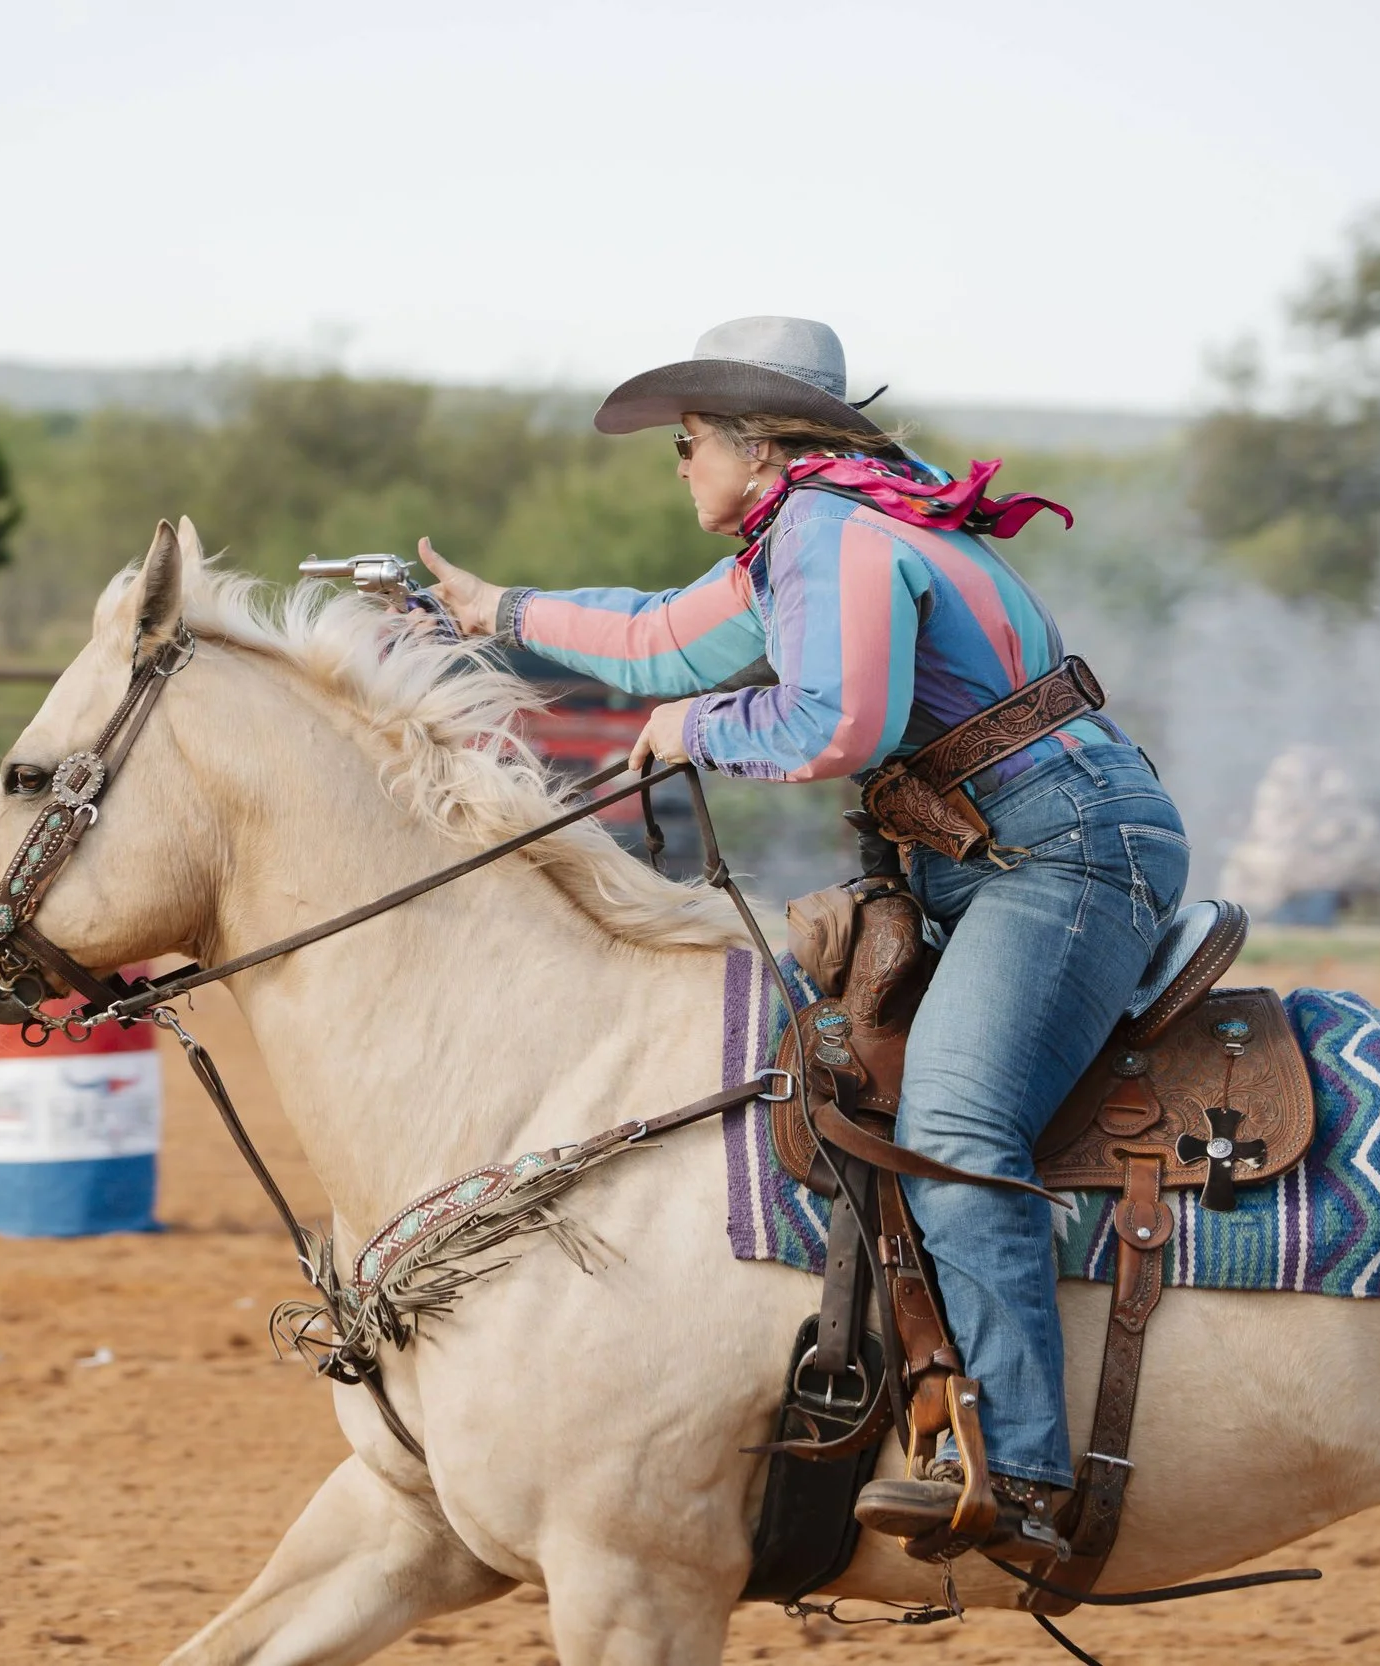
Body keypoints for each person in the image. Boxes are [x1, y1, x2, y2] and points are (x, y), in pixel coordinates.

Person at [417, 316, 1189, 1545]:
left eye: (686, 443)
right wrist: (493, 607)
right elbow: (657, 633)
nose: (677, 465)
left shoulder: (829, 534)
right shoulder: (817, 531)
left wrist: (693, 730)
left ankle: (1031, 1476)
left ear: (760, 444)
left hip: (1059, 855)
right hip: (1002, 849)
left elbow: (838, 728)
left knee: (951, 1117)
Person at [1217, 744, 1380, 928]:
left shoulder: (1344, 841)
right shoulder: (1246, 855)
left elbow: (1373, 871)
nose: (1271, 792)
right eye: (1276, 781)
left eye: (1285, 783)